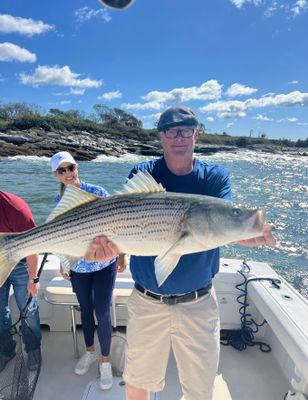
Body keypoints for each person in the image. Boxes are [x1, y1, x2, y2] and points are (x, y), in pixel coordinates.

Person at [84, 106, 276, 400]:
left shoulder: (214, 177)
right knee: (137, 382)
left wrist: (243, 232)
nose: (179, 137)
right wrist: (104, 251)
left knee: (200, 389)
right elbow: (118, 228)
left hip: (199, 304)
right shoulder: (144, 172)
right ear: (160, 136)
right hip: (147, 301)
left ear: (196, 133)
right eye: (171, 131)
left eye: (186, 129)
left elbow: (220, 221)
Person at [51, 151, 127, 390]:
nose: (67, 174)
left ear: (77, 168)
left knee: (102, 311)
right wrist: (64, 263)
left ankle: (105, 362)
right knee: (85, 310)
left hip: (104, 265)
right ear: (56, 175)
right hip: (79, 267)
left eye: (70, 168)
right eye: (61, 170)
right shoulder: (58, 201)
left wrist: (123, 255)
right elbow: (60, 236)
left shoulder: (98, 192)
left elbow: (120, 224)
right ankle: (90, 352)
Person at [0, 191, 41, 372]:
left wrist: (33, 278)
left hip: (21, 263)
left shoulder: (16, 208)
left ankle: (33, 349)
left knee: (28, 310)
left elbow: (33, 246)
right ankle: (7, 350)